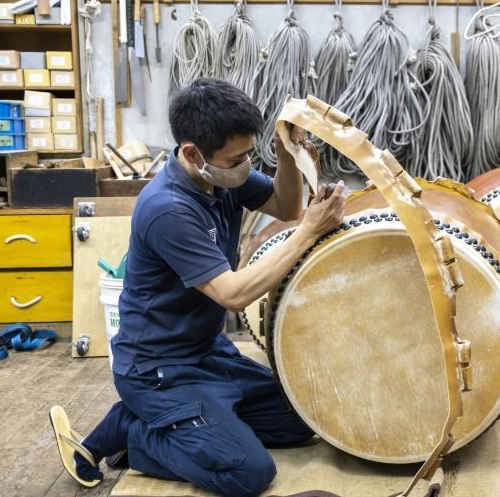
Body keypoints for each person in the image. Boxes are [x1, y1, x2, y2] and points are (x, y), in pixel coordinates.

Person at [49, 78, 345, 497]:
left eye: (249, 152)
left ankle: (193, 421)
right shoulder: (168, 208)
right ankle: (133, 432)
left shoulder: (222, 176)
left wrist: (286, 156)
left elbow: (287, 207)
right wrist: (310, 231)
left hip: (205, 353)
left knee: (305, 419)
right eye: (237, 157)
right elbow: (233, 294)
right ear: (192, 153)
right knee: (248, 473)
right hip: (157, 369)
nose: (245, 164)